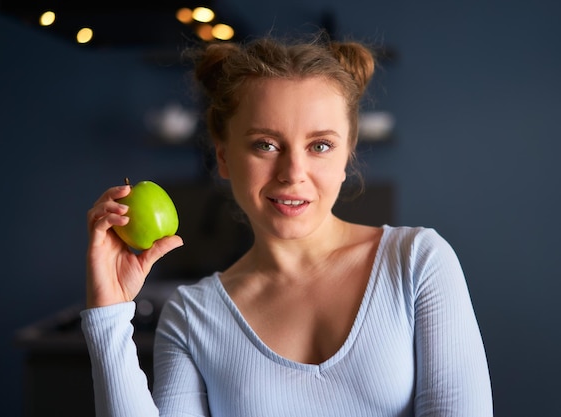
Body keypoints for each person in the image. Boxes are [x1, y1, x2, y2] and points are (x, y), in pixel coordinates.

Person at [82, 33, 493, 417]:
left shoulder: (416, 263)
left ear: (348, 153)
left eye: (320, 145)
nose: (293, 172)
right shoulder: (193, 316)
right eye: (266, 144)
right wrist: (109, 315)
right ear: (223, 155)